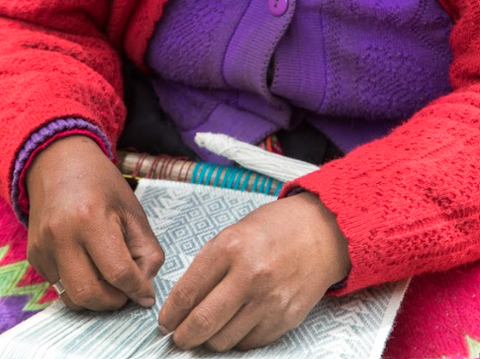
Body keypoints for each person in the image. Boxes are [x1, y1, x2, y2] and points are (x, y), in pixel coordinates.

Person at [0, 0, 479, 356]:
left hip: (425, 175)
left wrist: (334, 229)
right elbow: (30, 20)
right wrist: (55, 151)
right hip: (131, 139)